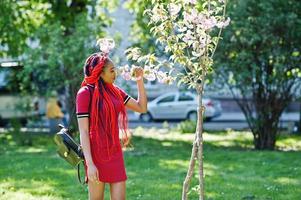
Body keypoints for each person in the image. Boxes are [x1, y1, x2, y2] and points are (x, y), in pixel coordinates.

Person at [76, 51, 147, 200]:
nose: (115, 73)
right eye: (111, 70)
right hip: (95, 154)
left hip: (115, 151)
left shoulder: (116, 92)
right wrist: (90, 164)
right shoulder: (85, 93)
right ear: (99, 72)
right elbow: (83, 131)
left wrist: (139, 80)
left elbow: (142, 108)